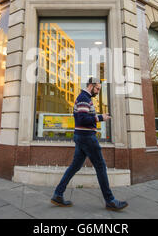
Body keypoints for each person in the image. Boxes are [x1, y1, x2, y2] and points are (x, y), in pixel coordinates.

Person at [51, 77, 129, 211]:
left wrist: (98, 117)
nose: (98, 91)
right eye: (97, 88)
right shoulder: (84, 98)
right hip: (87, 137)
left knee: (75, 166)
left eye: (99, 89)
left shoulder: (86, 99)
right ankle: (110, 200)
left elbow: (85, 117)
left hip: (82, 137)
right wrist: (100, 118)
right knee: (101, 166)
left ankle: (58, 194)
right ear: (91, 86)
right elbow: (82, 119)